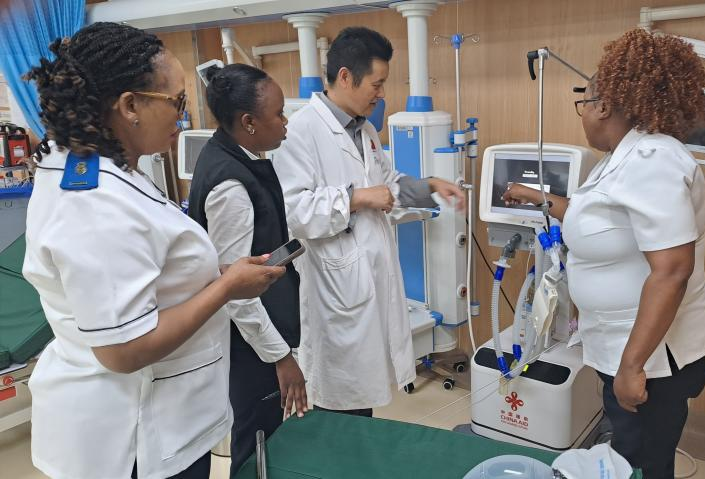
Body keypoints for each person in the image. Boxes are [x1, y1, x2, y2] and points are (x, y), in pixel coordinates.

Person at [22, 22, 285, 479]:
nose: (182, 118)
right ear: (130, 106)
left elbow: (145, 268)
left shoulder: (98, 165)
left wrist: (216, 275)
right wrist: (225, 288)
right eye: (176, 102)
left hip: (159, 417)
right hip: (132, 439)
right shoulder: (95, 203)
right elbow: (123, 350)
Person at [502, 29, 705, 479]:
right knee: (628, 448)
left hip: (653, 357)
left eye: (583, 103)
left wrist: (631, 366)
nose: (582, 114)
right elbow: (602, 221)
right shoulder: (622, 157)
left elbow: (672, 271)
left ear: (603, 106)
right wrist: (540, 198)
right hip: (624, 346)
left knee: (643, 463)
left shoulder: (651, 160)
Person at [272, 26, 466, 417]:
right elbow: (295, 211)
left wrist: (429, 185)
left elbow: (387, 183)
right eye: (376, 84)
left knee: (365, 399)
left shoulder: (365, 130)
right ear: (345, 77)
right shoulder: (300, 132)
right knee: (339, 404)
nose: (381, 94)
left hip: (368, 279)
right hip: (333, 287)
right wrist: (356, 198)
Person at [187, 63, 307, 476]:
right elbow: (234, 291)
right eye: (278, 113)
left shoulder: (234, 156)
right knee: (256, 441)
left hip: (256, 336)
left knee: (266, 438)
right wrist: (280, 357)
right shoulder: (231, 187)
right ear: (248, 122)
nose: (285, 121)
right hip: (248, 345)